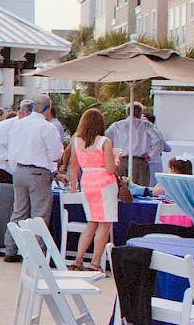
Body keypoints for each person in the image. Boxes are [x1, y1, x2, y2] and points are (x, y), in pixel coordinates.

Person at [69, 108, 118, 271]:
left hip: (87, 182)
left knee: (91, 223)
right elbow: (110, 169)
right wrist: (117, 161)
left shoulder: (77, 140)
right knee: (104, 224)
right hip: (104, 183)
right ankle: (95, 262)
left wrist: (73, 185)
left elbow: (73, 166)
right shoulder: (104, 142)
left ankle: (78, 258)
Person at [8, 94, 64, 237]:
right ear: (49, 108)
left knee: (19, 211)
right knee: (39, 215)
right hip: (38, 172)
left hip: (19, 170)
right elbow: (55, 155)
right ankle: (37, 249)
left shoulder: (19, 124)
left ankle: (11, 246)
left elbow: (12, 149)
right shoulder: (48, 127)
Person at [106, 103, 166, 186]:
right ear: (139, 113)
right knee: (140, 189)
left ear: (127, 113)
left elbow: (106, 139)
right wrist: (151, 155)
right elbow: (159, 140)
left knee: (120, 188)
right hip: (139, 162)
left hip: (121, 161)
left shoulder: (116, 126)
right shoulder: (146, 125)